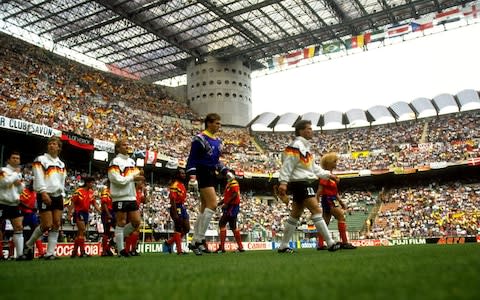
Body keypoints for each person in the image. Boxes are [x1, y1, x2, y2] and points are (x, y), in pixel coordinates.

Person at [276, 120, 341, 253]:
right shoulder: (296, 146)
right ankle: (330, 242)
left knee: (295, 214)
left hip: (301, 182)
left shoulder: (304, 147)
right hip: (301, 183)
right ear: (301, 131)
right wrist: (283, 182)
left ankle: (283, 245)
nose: (312, 131)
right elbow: (287, 164)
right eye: (309, 129)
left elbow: (313, 168)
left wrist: (328, 175)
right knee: (316, 210)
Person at [186, 113, 234, 256]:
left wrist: (225, 171)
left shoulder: (218, 141)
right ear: (209, 123)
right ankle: (199, 239)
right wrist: (192, 176)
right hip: (202, 172)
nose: (219, 126)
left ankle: (194, 241)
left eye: (220, 123)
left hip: (211, 172)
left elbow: (215, 161)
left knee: (204, 208)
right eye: (217, 123)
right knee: (212, 204)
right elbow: (192, 158)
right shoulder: (199, 139)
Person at [24, 136, 67, 260]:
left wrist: (62, 194)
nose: (51, 146)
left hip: (58, 196)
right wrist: (42, 192)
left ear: (59, 148)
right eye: (50, 144)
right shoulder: (41, 160)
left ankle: (50, 253)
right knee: (47, 224)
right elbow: (38, 177)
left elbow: (62, 180)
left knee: (57, 224)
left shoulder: (61, 164)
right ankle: (29, 244)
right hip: (45, 194)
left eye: (54, 144)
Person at [108, 139, 144, 257]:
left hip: (131, 196)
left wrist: (139, 178)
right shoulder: (115, 162)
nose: (127, 146)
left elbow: (136, 177)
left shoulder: (131, 162)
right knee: (121, 222)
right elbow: (117, 180)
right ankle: (121, 250)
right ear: (118, 148)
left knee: (136, 222)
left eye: (127, 144)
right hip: (119, 196)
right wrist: (133, 178)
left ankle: (116, 240)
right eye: (124, 145)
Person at [316, 152, 356, 250]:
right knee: (341, 217)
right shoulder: (326, 176)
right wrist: (316, 201)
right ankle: (345, 242)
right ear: (328, 163)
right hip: (329, 199)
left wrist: (341, 202)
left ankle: (320, 244)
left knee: (325, 223)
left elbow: (335, 192)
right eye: (334, 161)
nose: (336, 163)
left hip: (330, 199)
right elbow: (320, 190)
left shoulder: (330, 175)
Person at [0, 151, 27, 260]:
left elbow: (21, 189)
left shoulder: (19, 174)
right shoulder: (3, 170)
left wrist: (19, 183)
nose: (16, 160)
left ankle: (20, 255)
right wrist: (15, 176)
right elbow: (5, 183)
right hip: (2, 202)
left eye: (18, 158)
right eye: (14, 158)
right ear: (9, 160)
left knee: (19, 227)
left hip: (14, 203)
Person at [67, 176, 101, 258]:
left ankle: (74, 252)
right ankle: (82, 251)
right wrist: (69, 213)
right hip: (79, 212)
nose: (93, 184)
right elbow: (72, 202)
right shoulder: (79, 191)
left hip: (86, 213)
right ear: (87, 183)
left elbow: (94, 203)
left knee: (80, 233)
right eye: (92, 182)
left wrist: (100, 211)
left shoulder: (91, 192)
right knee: (82, 230)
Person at [215, 175, 245, 253]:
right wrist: (220, 203)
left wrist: (226, 204)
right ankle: (240, 247)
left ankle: (222, 247)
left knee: (223, 223)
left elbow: (235, 194)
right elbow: (227, 197)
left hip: (232, 206)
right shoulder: (229, 184)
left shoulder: (234, 183)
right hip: (231, 206)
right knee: (232, 226)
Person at [163, 168, 190, 255]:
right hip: (176, 207)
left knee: (187, 228)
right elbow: (172, 200)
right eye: (182, 173)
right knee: (178, 228)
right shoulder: (174, 185)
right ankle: (179, 251)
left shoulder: (182, 184)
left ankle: (169, 243)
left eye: (184, 173)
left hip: (182, 207)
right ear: (178, 175)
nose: (184, 175)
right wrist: (175, 213)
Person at [19, 180, 45, 258]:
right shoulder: (24, 192)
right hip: (23, 214)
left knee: (37, 232)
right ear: (30, 184)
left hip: (31, 214)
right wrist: (30, 207)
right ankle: (14, 253)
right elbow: (20, 202)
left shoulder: (35, 193)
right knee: (18, 231)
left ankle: (41, 253)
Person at [125, 180, 147, 256]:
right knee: (132, 231)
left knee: (135, 231)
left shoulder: (140, 192)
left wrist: (145, 193)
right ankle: (129, 250)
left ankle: (131, 250)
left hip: (135, 212)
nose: (143, 184)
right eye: (142, 183)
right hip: (131, 211)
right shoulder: (132, 191)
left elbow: (145, 201)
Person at [100, 180, 115, 256]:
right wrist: (108, 213)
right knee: (106, 231)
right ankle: (104, 251)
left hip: (113, 212)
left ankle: (108, 248)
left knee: (119, 229)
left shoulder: (114, 191)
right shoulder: (105, 191)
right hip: (107, 212)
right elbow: (104, 203)